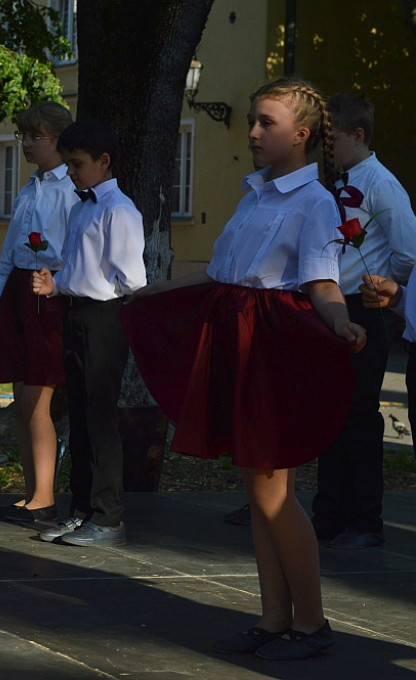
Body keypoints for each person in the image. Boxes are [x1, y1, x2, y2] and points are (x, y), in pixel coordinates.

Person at [122, 77, 366, 660]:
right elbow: (222, 270)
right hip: (235, 332)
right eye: (253, 121)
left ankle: (311, 622)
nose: (253, 132)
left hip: (271, 343)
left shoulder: (314, 202)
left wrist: (339, 322)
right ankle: (275, 616)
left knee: (274, 489)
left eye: (266, 123)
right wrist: (155, 291)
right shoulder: (255, 194)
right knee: (257, 488)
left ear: (300, 135)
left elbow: (321, 278)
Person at [30, 118, 146, 546]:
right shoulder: (82, 208)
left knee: (100, 417)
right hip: (76, 313)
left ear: (104, 161)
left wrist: (101, 300)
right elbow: (79, 268)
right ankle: (81, 510)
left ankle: (108, 515)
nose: (73, 173)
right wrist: (56, 285)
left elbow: (131, 279)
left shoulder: (119, 210)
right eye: (68, 164)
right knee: (77, 415)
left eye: (78, 164)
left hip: (105, 318)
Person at [309, 93, 416, 549]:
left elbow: (407, 249)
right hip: (331, 306)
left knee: (359, 415)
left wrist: (385, 291)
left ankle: (366, 520)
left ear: (358, 135)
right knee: (329, 413)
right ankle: (328, 513)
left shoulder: (381, 183)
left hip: (363, 307)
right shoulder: (335, 182)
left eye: (332, 140)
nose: (326, 148)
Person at [0, 101, 75, 525]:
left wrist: (57, 282)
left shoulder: (71, 189)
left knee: (36, 399)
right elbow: (14, 245)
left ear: (60, 140)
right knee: (22, 400)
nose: (27, 144)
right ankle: (32, 493)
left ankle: (45, 497)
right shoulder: (31, 187)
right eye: (24, 135)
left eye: (36, 136)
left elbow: (75, 250)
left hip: (47, 294)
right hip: (18, 292)